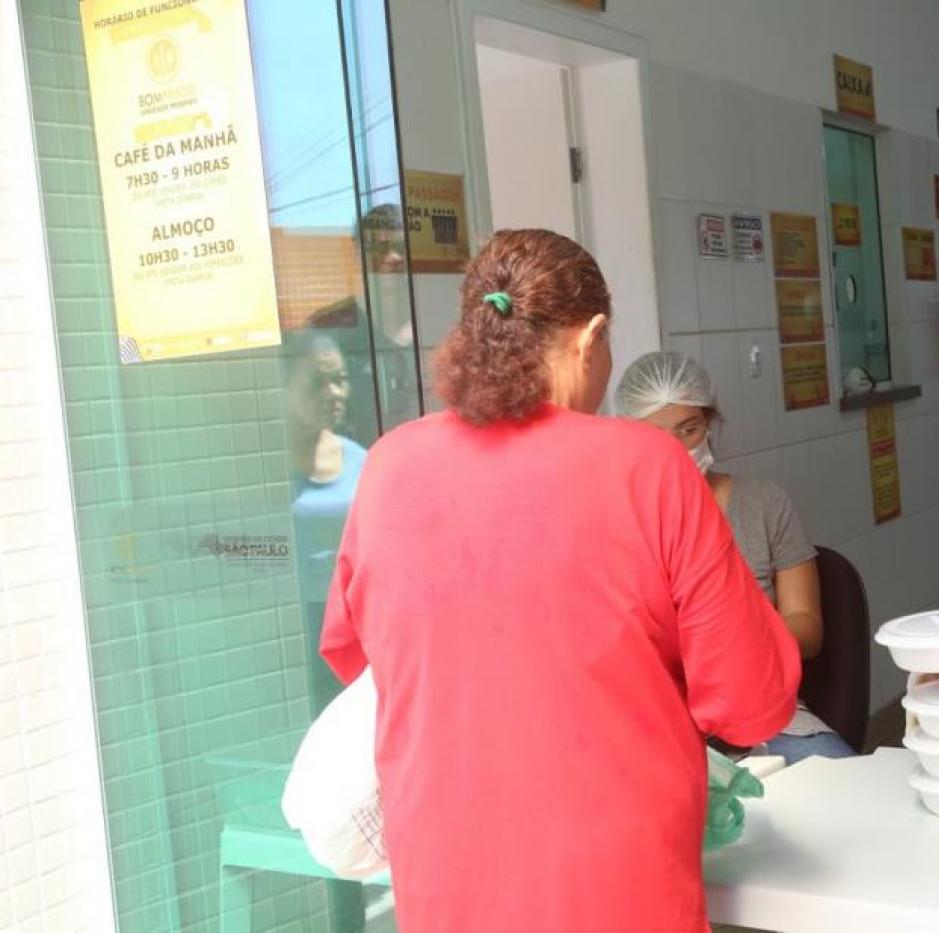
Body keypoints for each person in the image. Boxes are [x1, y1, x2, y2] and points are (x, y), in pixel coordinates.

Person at [317, 229, 800, 931]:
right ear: (591, 336)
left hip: (442, 881)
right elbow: (751, 701)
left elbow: (353, 653)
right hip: (612, 884)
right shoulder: (650, 467)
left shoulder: (390, 465)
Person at [615, 352, 856, 765]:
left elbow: (807, 628)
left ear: (709, 423)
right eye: (656, 437)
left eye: (688, 430)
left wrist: (735, 647)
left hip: (765, 717)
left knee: (846, 791)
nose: (674, 449)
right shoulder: (615, 521)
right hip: (657, 724)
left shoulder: (762, 504)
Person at [284, 328, 368, 713]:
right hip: (292, 621)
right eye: (319, 382)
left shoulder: (361, 460)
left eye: (340, 380)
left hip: (351, 621)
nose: (334, 394)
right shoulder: (264, 468)